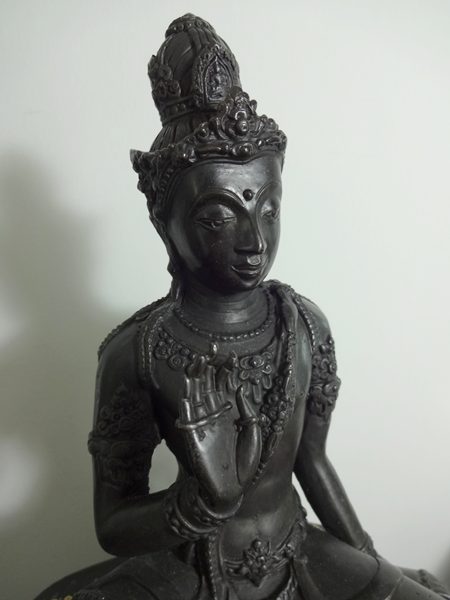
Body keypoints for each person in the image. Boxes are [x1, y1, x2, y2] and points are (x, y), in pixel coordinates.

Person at [39, 14, 448, 600]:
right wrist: (203, 502)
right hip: (189, 565)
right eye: (217, 218)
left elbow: (313, 462)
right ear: (163, 221)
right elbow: (113, 525)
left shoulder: (303, 324)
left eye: (268, 209)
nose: (254, 242)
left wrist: (370, 559)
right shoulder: (139, 353)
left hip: (294, 546)